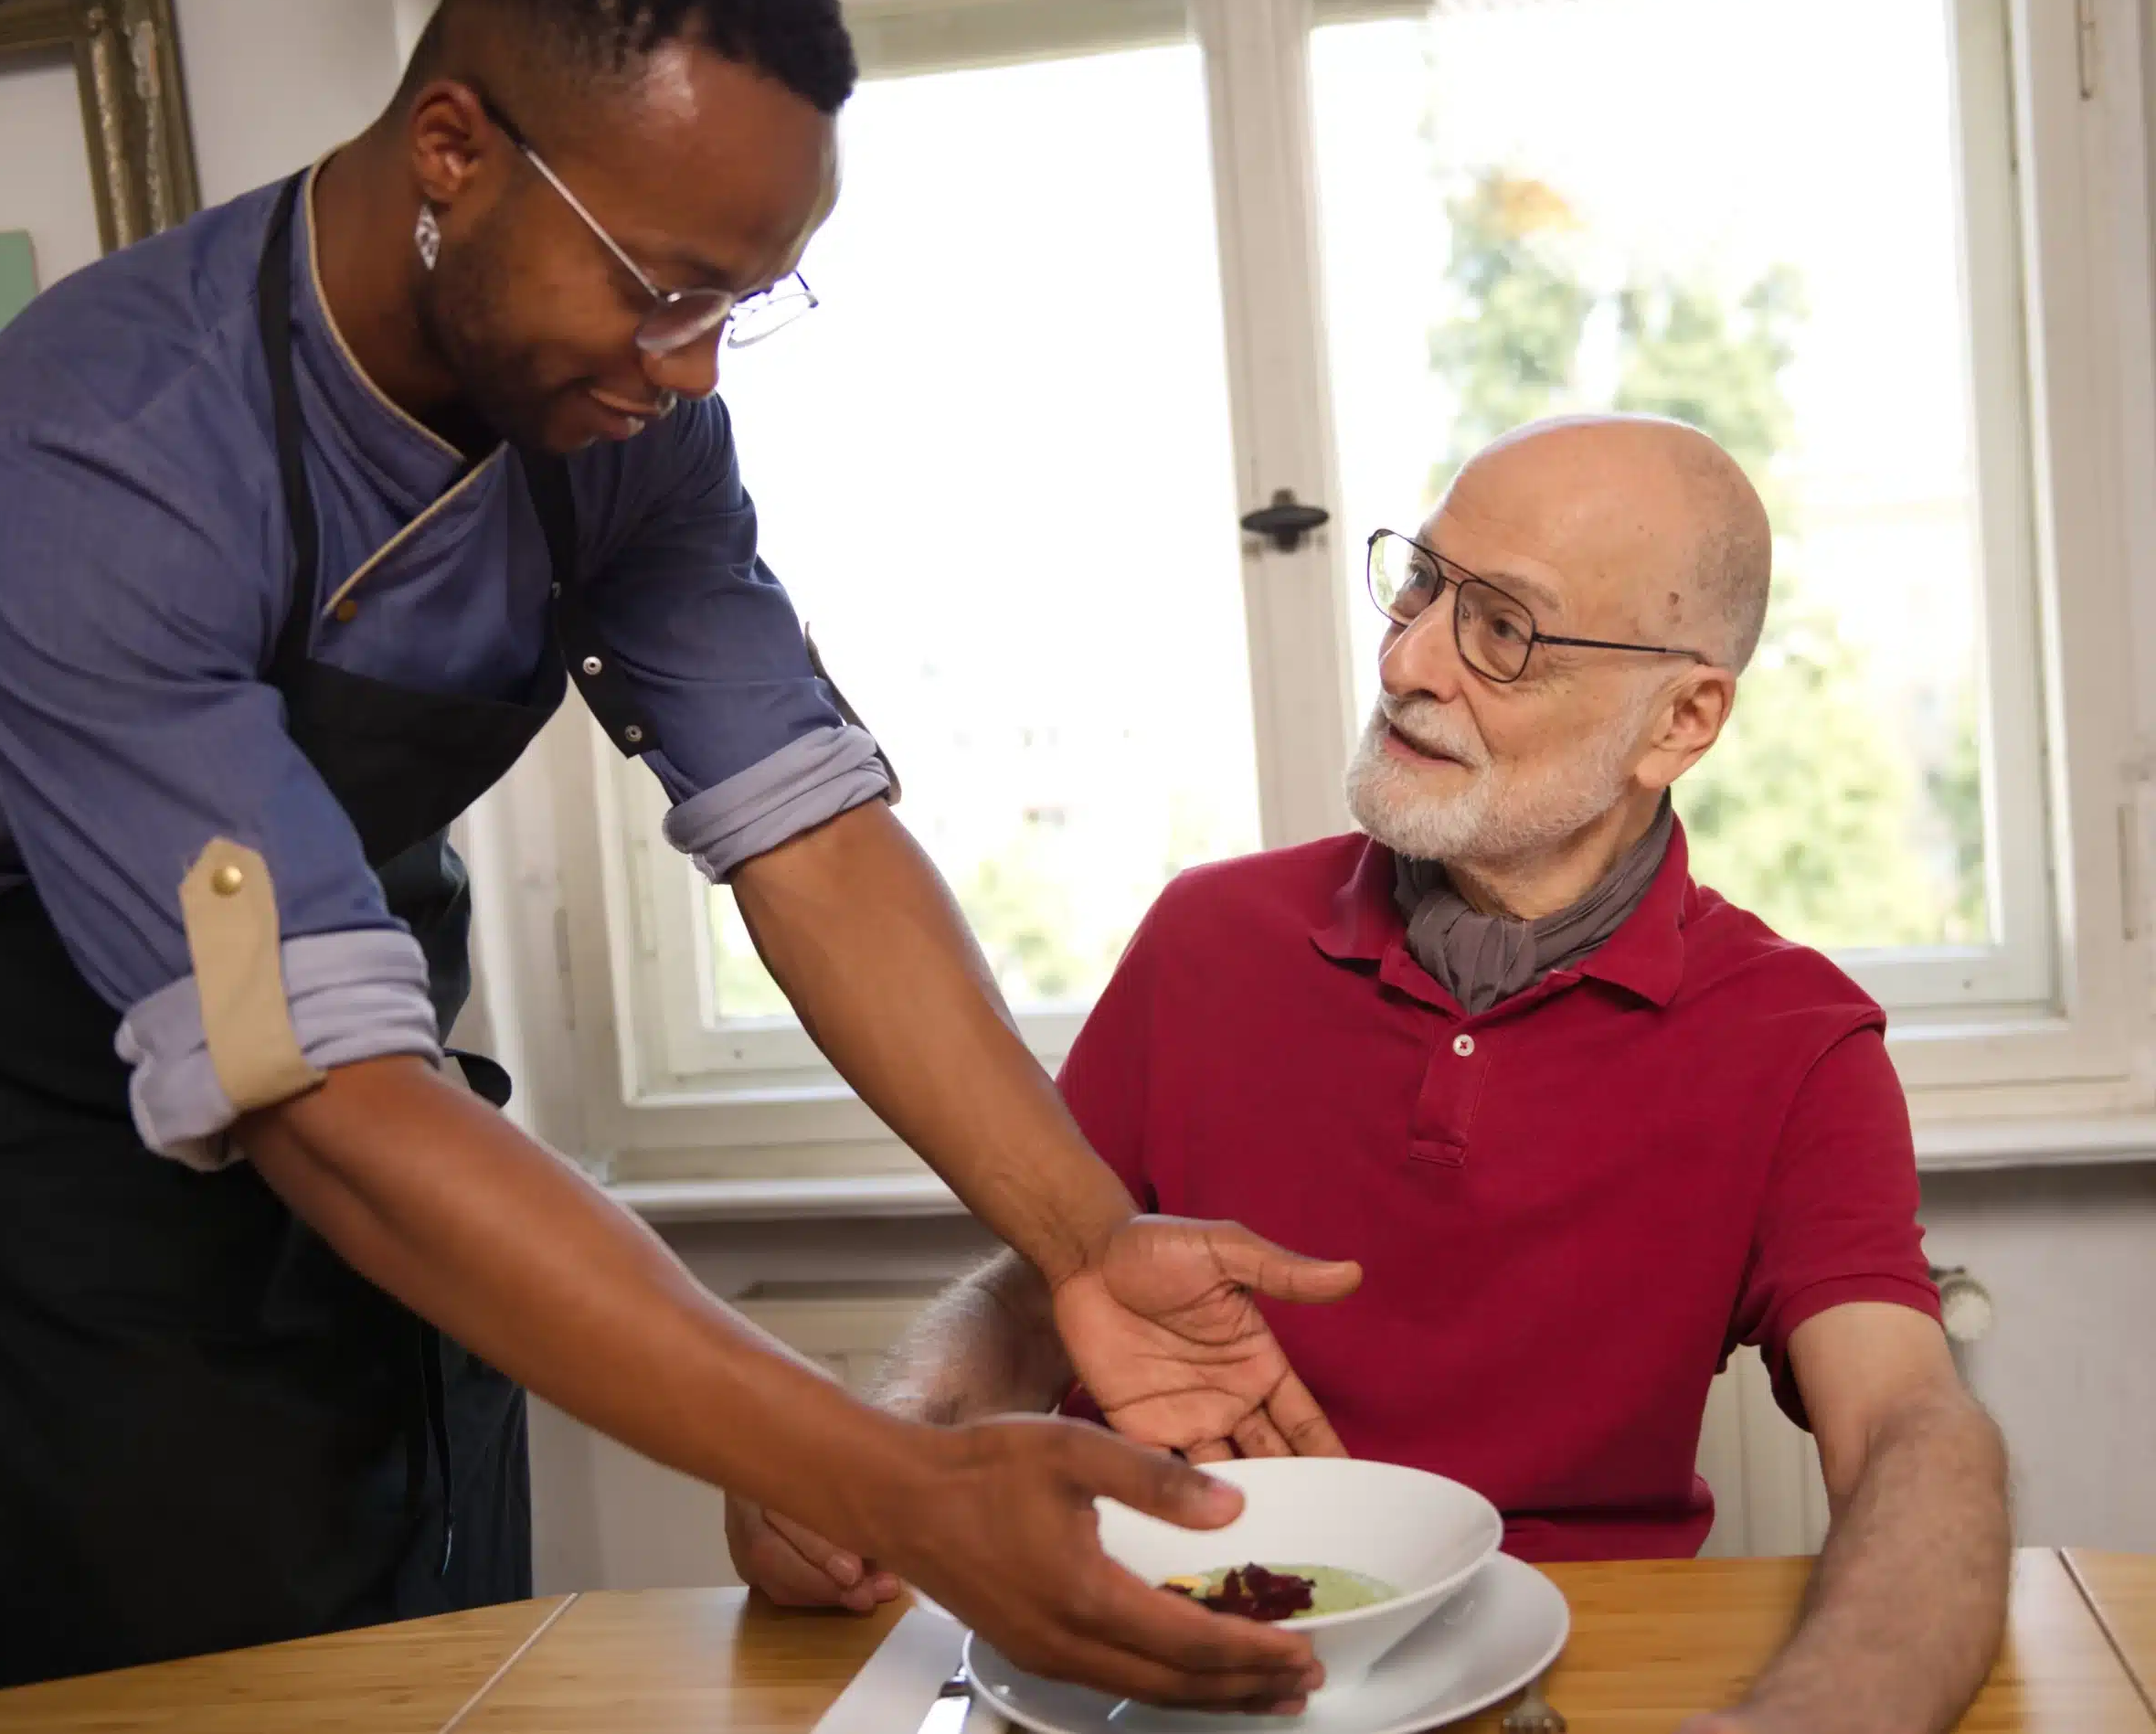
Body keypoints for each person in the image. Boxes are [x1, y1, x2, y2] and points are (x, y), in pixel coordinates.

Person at [0, 0, 1358, 1703]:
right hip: (91, 1199)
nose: (697, 364)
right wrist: (886, 1481)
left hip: (405, 1102)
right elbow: (319, 1094)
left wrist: (1091, 1248)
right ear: (452, 149)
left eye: (746, 301)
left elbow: (811, 835)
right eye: (665, 289)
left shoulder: (624, 427)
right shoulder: (91, 460)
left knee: (465, 1674)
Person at [728, 416, 2013, 1734]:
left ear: (1679, 720)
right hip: (1150, 1658)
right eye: (1420, 583)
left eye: (1504, 628)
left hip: (1565, 1671)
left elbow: (1911, 1427)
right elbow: (1052, 1281)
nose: (1406, 660)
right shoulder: (1209, 935)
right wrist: (886, 1441)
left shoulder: (1796, 1036)